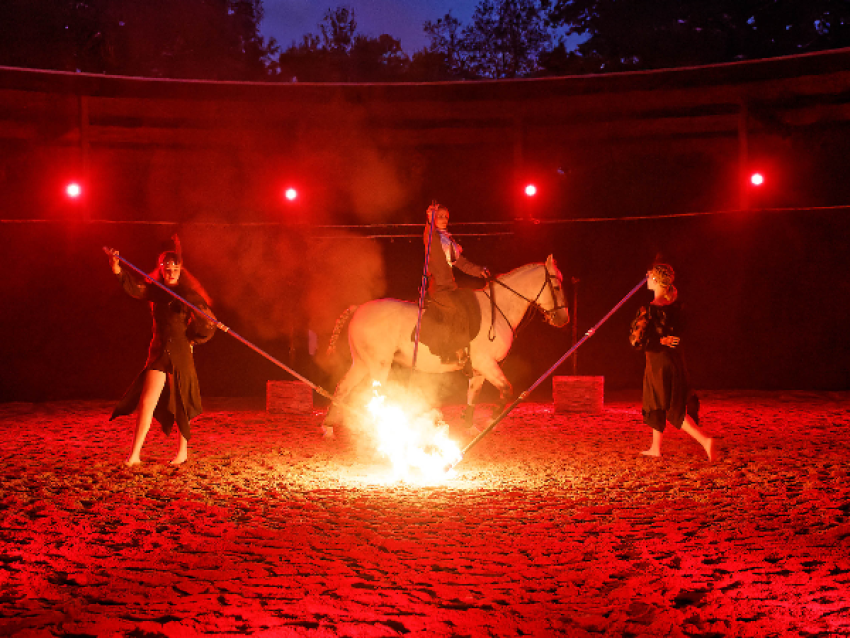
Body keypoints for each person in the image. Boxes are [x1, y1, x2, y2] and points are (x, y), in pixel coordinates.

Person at [104, 237, 216, 466]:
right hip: (159, 352)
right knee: (146, 402)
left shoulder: (188, 294)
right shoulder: (156, 291)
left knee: (181, 402)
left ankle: (182, 452)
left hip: (181, 352)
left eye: (175, 268)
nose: (171, 271)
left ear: (180, 269)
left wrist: (200, 333)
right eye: (167, 268)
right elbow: (135, 288)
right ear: (162, 270)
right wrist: (117, 269)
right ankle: (134, 455)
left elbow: (206, 320)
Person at [629, 263, 716, 461]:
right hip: (674, 361)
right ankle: (655, 447)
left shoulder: (650, 310)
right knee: (657, 403)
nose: (647, 278)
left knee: (671, 407)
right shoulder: (676, 307)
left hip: (659, 364)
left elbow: (637, 340)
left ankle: (704, 441)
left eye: (650, 276)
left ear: (656, 281)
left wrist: (658, 340)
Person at [420, 203, 490, 365]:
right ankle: (447, 351)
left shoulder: (447, 240)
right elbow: (428, 236)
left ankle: (464, 346)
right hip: (438, 286)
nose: (444, 220)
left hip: (449, 285)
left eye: (446, 217)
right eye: (440, 216)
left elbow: (461, 263)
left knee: (466, 302)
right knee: (454, 309)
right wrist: (429, 222)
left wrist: (479, 271)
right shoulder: (433, 238)